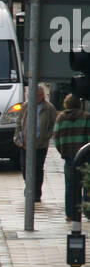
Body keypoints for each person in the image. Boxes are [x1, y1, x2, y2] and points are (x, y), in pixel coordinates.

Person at [14, 83, 57, 202]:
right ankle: (29, 189)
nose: (38, 97)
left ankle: (36, 193)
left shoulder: (49, 108)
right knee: (25, 168)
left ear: (43, 95)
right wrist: (17, 137)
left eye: (40, 95)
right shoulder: (26, 106)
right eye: (36, 95)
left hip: (40, 144)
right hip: (25, 144)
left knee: (37, 168)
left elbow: (55, 123)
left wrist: (47, 135)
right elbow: (18, 122)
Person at [53, 92, 90, 221]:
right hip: (86, 157)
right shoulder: (86, 117)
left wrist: (63, 151)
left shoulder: (61, 118)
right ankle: (87, 211)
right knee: (87, 185)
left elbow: (56, 139)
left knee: (70, 185)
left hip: (69, 157)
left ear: (66, 104)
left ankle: (70, 213)